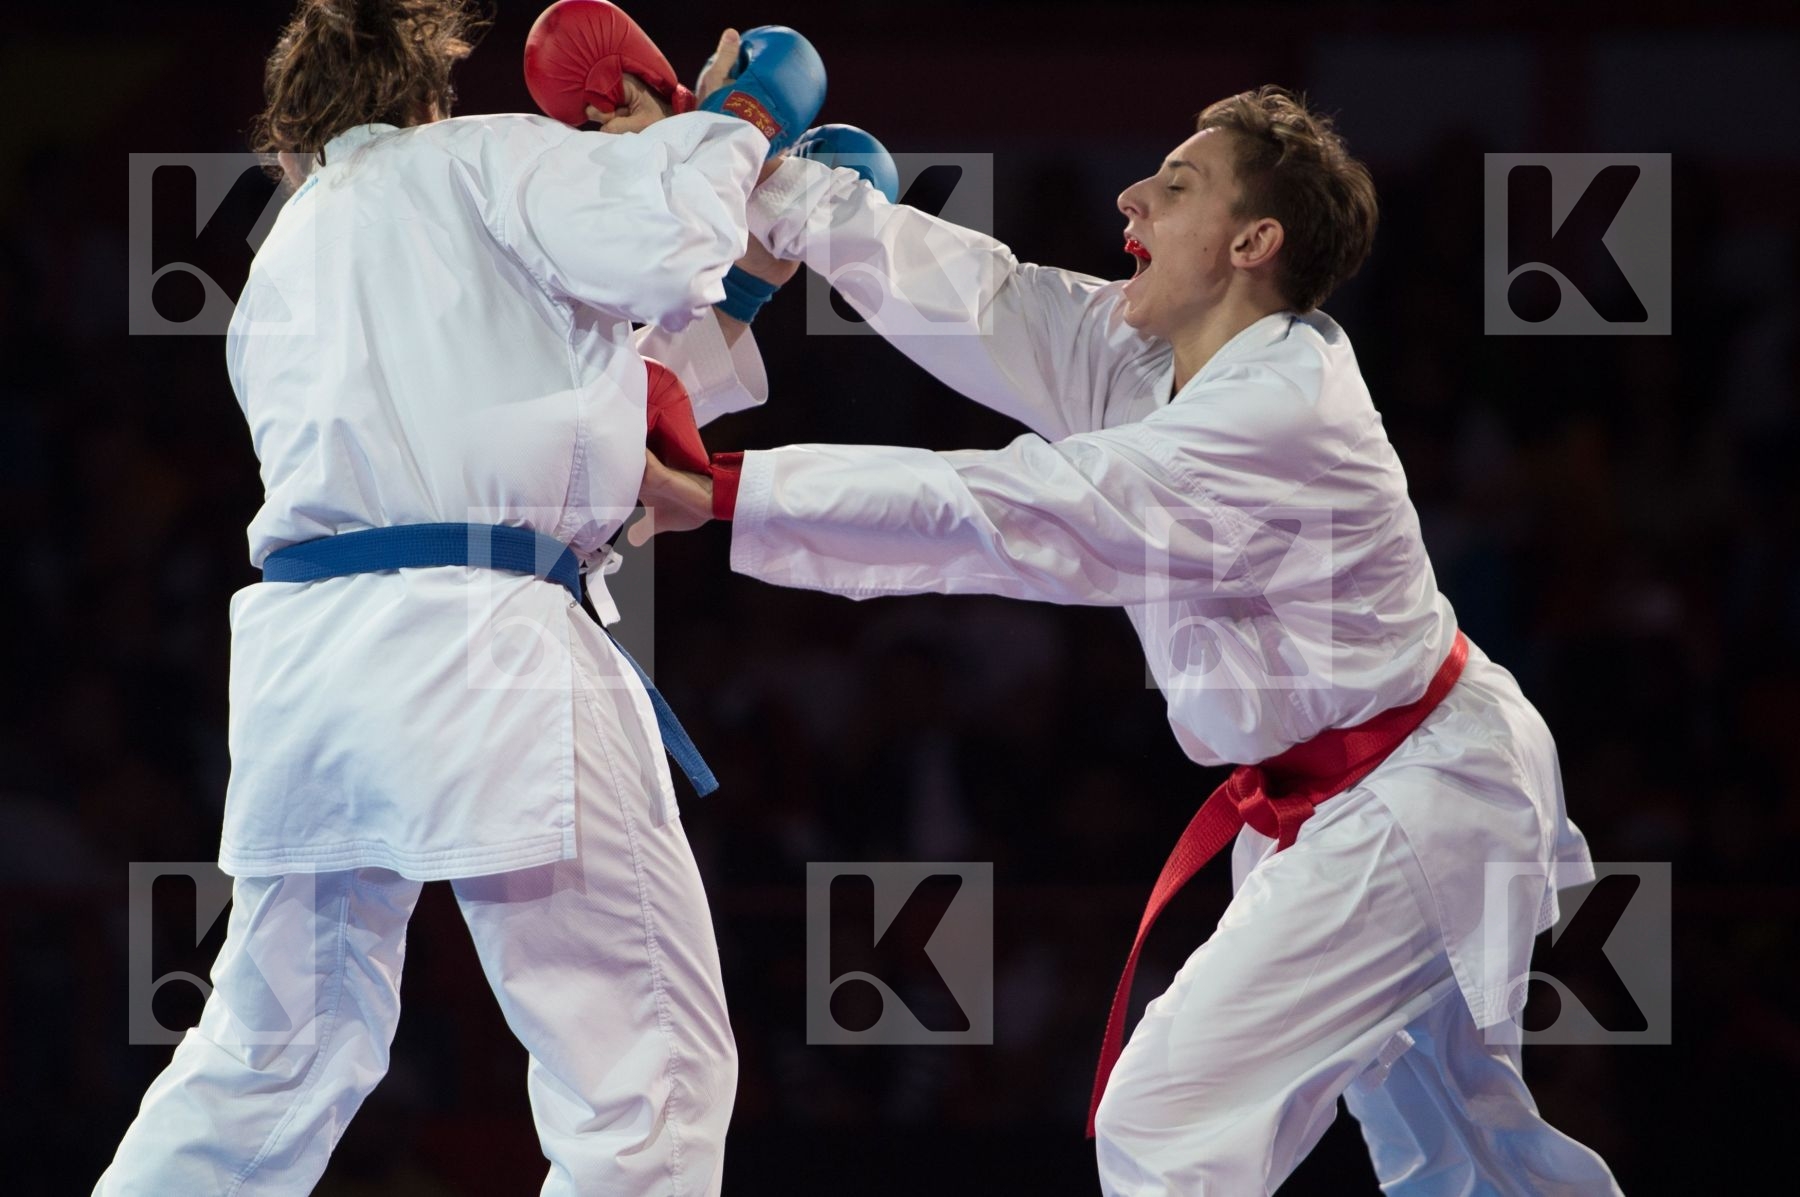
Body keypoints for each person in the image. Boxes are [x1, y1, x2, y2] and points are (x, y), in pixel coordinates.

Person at [637, 86, 1628, 1194]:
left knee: (1167, 1119)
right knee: (1472, 1153)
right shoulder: (1149, 358)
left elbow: (1020, 513)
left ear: (1254, 243)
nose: (1131, 196)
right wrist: (778, 183)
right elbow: (987, 304)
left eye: (1177, 183)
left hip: (1409, 798)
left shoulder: (1279, 409)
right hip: (1365, 790)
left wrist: (723, 492)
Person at [92, 1, 807, 1192]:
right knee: (643, 1069)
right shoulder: (483, 153)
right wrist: (732, 123)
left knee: (273, 1055)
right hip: (485, 646)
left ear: (291, 138)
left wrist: (741, 297)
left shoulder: (282, 263)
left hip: (309, 668)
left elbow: (536, 409)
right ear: (428, 98)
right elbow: (650, 251)